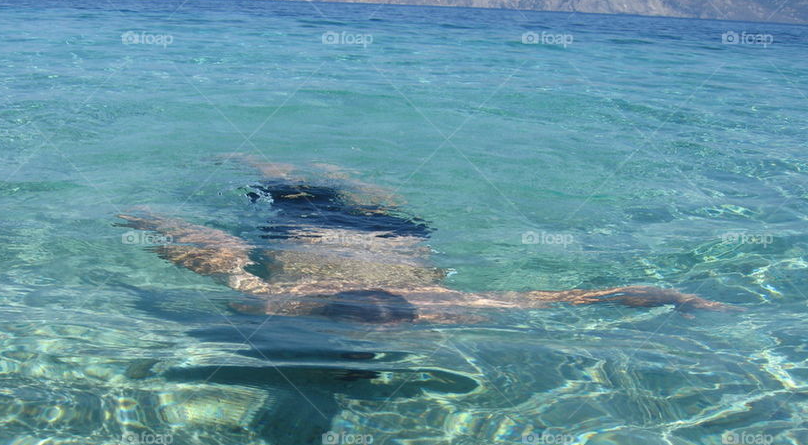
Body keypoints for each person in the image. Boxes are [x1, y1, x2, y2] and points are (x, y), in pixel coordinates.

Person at [118, 156, 737, 324]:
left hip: (332, 233)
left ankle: (277, 165)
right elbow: (581, 295)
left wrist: (146, 219)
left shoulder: (287, 300)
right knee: (297, 188)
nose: (382, 319)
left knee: (318, 194)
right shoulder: (452, 311)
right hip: (379, 235)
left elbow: (222, 260)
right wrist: (666, 295)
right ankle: (262, 161)